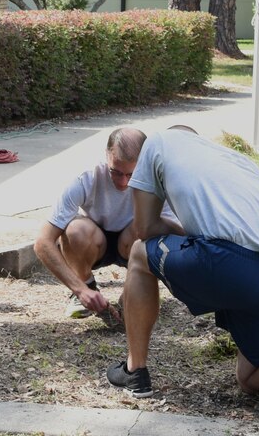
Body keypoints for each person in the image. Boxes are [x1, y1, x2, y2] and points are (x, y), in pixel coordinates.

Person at [110, 126, 259, 431]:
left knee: (140, 254)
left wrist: (184, 235)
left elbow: (144, 228)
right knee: (251, 377)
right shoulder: (237, 160)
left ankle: (135, 370)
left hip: (227, 262)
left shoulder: (156, 142)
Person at [34, 127, 175, 321]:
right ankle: (88, 287)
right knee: (74, 230)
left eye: (131, 174)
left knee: (154, 227)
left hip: (133, 240)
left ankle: (135, 288)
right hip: (94, 239)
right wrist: (80, 289)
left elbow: (174, 232)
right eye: (115, 172)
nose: (123, 182)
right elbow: (42, 242)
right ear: (106, 155)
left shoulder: (160, 179)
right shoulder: (86, 177)